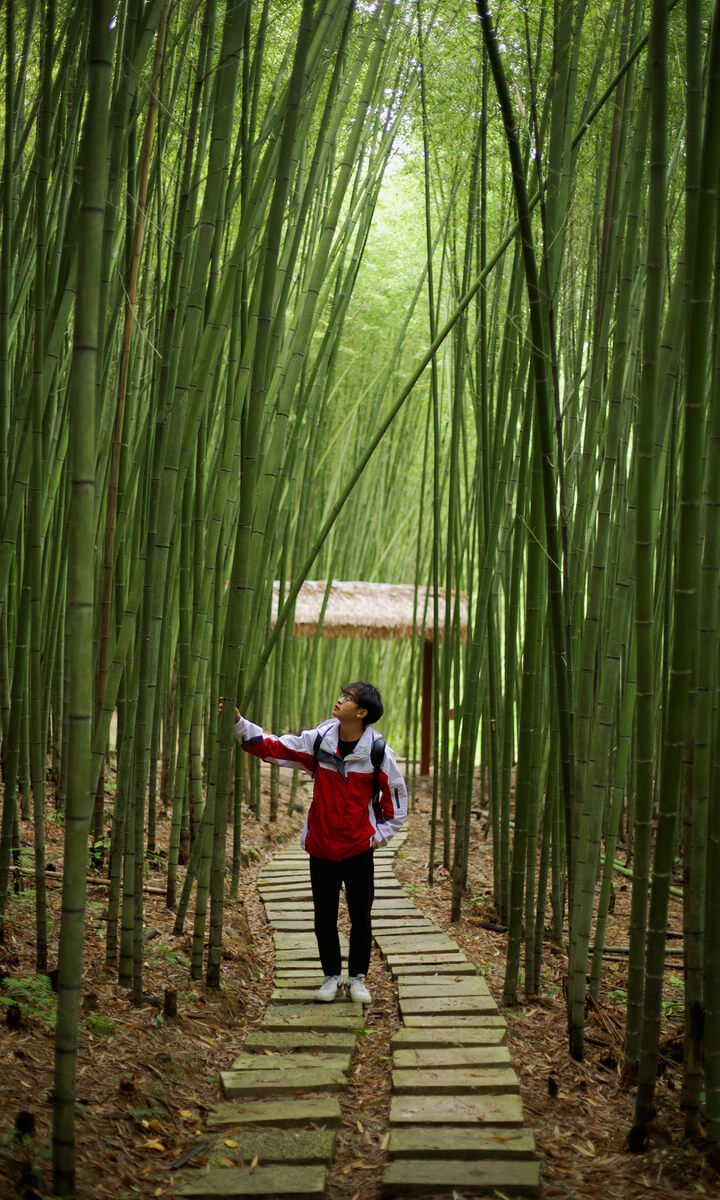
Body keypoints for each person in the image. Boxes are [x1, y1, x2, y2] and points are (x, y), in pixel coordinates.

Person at [233, 682, 407, 1005]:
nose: (339, 700)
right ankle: (331, 976)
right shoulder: (320, 741)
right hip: (322, 846)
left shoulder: (378, 752)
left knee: (361, 915)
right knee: (324, 915)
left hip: (358, 849)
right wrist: (240, 726)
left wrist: (375, 836)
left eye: (348, 698)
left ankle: (357, 978)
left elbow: (396, 803)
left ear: (362, 712)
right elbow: (278, 748)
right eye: (342, 695)